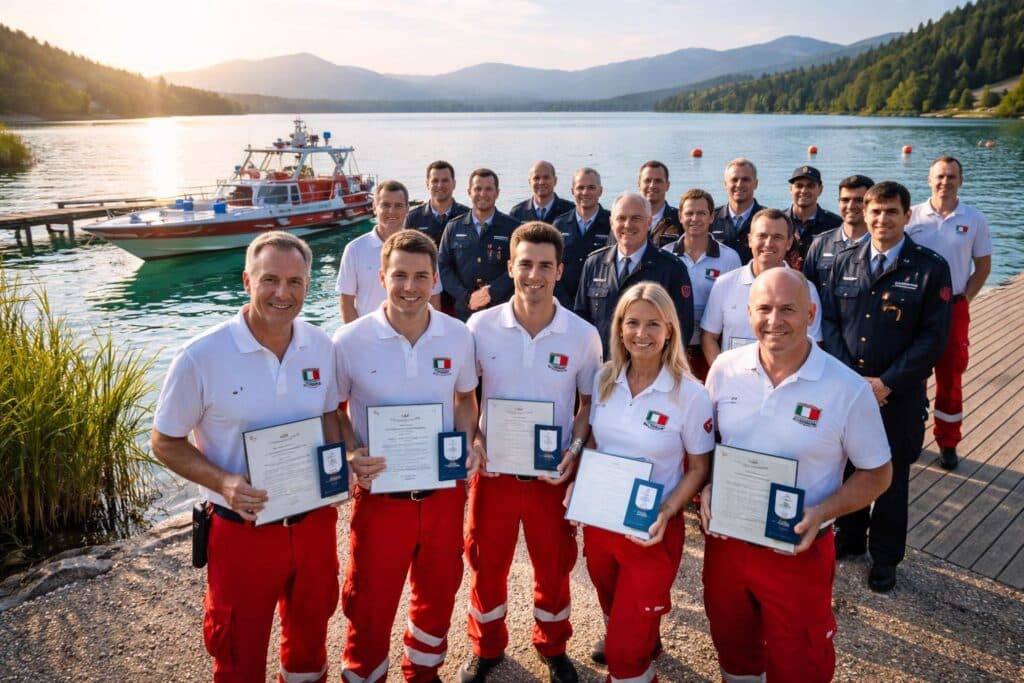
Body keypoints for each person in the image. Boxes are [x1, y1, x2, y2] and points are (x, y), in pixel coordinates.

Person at [151, 231, 341, 683]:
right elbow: (164, 441)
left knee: (311, 638)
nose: (282, 293)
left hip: (313, 523)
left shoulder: (321, 345)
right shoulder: (201, 356)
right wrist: (224, 482)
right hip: (242, 530)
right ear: (247, 281)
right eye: (270, 279)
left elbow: (330, 414)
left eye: (295, 282)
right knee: (237, 648)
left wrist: (339, 467)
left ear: (308, 285)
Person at [701, 267, 892, 682]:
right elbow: (708, 444)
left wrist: (823, 511)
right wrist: (707, 485)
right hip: (728, 544)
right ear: (748, 314)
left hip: (798, 549)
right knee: (733, 645)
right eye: (764, 309)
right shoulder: (724, 369)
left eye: (787, 309)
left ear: (810, 314)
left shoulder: (847, 388)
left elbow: (878, 473)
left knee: (801, 660)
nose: (774, 320)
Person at [334, 229, 482, 682]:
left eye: (421, 276)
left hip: (442, 495)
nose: (410, 287)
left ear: (436, 279)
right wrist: (351, 451)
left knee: (437, 593)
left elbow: (465, 400)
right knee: (370, 600)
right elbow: (332, 411)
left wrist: (468, 441)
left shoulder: (457, 335)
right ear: (382, 277)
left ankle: (423, 672)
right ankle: (364, 675)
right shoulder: (349, 341)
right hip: (380, 498)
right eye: (400, 275)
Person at [460, 222, 602, 683]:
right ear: (510, 267)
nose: (533, 275)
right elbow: (465, 395)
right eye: (525, 264)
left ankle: (553, 645)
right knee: (486, 563)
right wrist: (475, 439)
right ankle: (486, 646)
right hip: (495, 474)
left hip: (550, 476)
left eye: (544, 266)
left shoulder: (582, 334)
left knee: (555, 564)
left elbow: (588, 405)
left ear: (560, 270)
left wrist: (575, 449)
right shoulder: (480, 327)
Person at [821, 181, 952, 592]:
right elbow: (829, 322)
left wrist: (886, 383)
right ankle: (850, 537)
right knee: (849, 466)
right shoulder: (845, 261)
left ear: (907, 216)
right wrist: (850, 379)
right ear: (865, 214)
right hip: (849, 390)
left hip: (899, 393)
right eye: (875, 211)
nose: (882, 219)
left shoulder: (929, 268)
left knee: (891, 475)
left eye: (891, 211)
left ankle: (885, 556)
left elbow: (933, 338)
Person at [583, 282, 714, 683]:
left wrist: (668, 510)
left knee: (623, 654)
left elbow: (698, 467)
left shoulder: (690, 395)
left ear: (670, 329)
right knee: (614, 609)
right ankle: (646, 641)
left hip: (653, 530)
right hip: (601, 523)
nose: (642, 333)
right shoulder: (604, 379)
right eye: (632, 323)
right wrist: (581, 482)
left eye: (653, 324)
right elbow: (595, 440)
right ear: (619, 327)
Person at [907, 156, 993, 470]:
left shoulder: (974, 219)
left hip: (952, 308)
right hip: (915, 308)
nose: (945, 182)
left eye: (952, 177)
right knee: (911, 374)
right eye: (940, 176)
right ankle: (910, 435)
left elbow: (983, 267)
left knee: (950, 377)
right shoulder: (911, 216)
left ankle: (947, 441)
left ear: (961, 180)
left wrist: (964, 300)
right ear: (929, 180)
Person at [574, 192, 694, 359]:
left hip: (649, 367)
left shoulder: (672, 268)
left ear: (649, 222)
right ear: (611, 223)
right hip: (601, 366)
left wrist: (662, 367)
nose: (628, 225)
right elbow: (581, 320)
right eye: (621, 218)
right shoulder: (594, 263)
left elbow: (682, 327)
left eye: (636, 218)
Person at [700, 208, 822, 367]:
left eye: (777, 237)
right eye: (762, 236)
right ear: (750, 240)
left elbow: (814, 344)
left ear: (789, 243)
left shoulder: (806, 289)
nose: (768, 243)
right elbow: (709, 337)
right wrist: (724, 374)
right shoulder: (724, 284)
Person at [663, 188, 741, 381]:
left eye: (701, 213)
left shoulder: (729, 258)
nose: (695, 219)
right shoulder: (665, 256)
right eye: (689, 213)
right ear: (680, 216)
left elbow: (736, 306)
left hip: (712, 348)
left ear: (711, 217)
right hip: (672, 349)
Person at [337, 180, 440, 321]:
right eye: (385, 205)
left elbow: (434, 298)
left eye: (398, 206)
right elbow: (346, 301)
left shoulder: (424, 248)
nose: (392, 211)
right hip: (370, 333)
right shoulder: (354, 250)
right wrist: (358, 333)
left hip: (412, 333)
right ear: (374, 208)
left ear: (407, 209)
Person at [438, 168, 522, 321]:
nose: (482, 194)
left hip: (501, 310)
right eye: (477, 189)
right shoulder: (453, 227)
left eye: (488, 189)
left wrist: (491, 292)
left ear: (497, 192)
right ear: (469, 192)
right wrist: (466, 297)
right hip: (464, 310)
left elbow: (519, 266)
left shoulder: (513, 227)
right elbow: (444, 267)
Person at [803, 174, 874, 294]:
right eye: (845, 200)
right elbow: (807, 289)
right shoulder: (820, 244)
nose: (850, 206)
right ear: (838, 202)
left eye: (859, 200)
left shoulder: (880, 246)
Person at [551, 167, 611, 307]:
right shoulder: (559, 224)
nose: (585, 192)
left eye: (591, 187)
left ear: (600, 191)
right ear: (573, 191)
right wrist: (564, 302)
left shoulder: (612, 223)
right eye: (580, 187)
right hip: (564, 303)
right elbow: (552, 265)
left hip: (600, 302)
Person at [782, 165, 842, 270]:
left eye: (810, 186)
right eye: (799, 186)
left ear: (820, 190)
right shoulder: (778, 221)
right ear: (791, 189)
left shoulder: (835, 224)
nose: (804, 190)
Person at [709, 158, 764, 264]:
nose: (739, 184)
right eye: (734, 180)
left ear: (756, 183)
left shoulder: (768, 219)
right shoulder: (710, 219)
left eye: (745, 179)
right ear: (725, 184)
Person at [404, 160, 470, 245]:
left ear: (454, 184)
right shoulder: (413, 218)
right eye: (435, 181)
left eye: (445, 180)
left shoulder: (468, 216)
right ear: (427, 184)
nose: (440, 185)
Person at [509, 161, 575, 223]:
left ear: (555, 180)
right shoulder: (517, 213)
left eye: (546, 177)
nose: (541, 182)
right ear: (529, 182)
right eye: (536, 178)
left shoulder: (571, 211)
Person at [639, 161, 683, 248]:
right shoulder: (624, 220)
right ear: (639, 184)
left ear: (667, 185)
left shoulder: (680, 220)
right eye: (647, 180)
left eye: (658, 181)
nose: (652, 185)